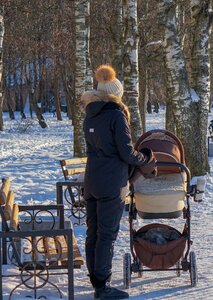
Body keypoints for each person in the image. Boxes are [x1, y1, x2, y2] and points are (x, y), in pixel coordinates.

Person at [83, 64, 157, 300]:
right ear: (116, 93)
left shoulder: (89, 115)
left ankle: (96, 279)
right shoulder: (116, 115)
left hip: (92, 179)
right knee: (106, 234)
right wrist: (145, 159)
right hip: (112, 182)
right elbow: (126, 152)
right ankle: (102, 287)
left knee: (92, 232)